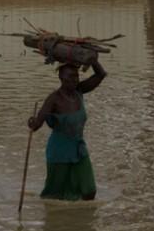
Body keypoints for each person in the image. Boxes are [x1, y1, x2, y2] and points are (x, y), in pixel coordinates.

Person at [27, 56, 107, 201]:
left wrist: (93, 60)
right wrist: (32, 123)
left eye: (76, 76)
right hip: (59, 151)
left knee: (89, 191)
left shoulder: (79, 91)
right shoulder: (54, 99)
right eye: (70, 76)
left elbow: (101, 75)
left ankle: (81, 221)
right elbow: (37, 124)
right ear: (61, 77)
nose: (74, 79)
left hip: (78, 149)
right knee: (54, 196)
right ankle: (56, 221)